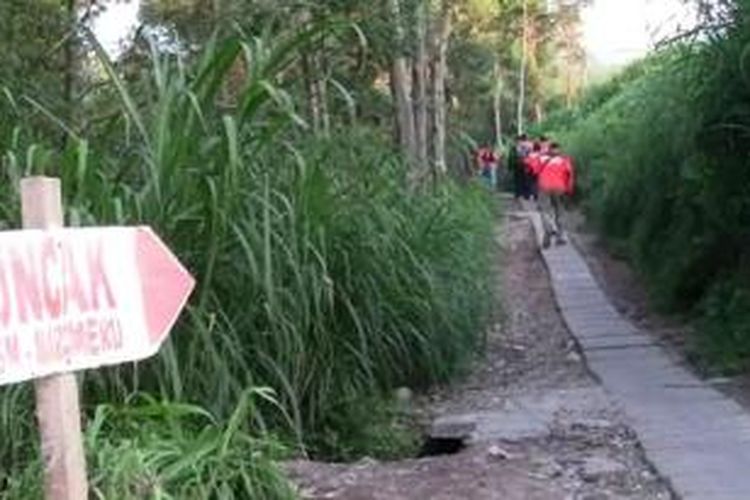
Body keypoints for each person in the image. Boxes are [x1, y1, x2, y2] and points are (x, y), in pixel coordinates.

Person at [536, 143, 574, 248]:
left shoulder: (542, 159)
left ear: (549, 150)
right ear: (559, 150)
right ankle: (561, 236)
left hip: (544, 186)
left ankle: (548, 227)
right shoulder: (565, 160)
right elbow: (569, 175)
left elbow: (535, 171)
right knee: (559, 210)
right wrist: (569, 190)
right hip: (559, 187)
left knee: (544, 210)